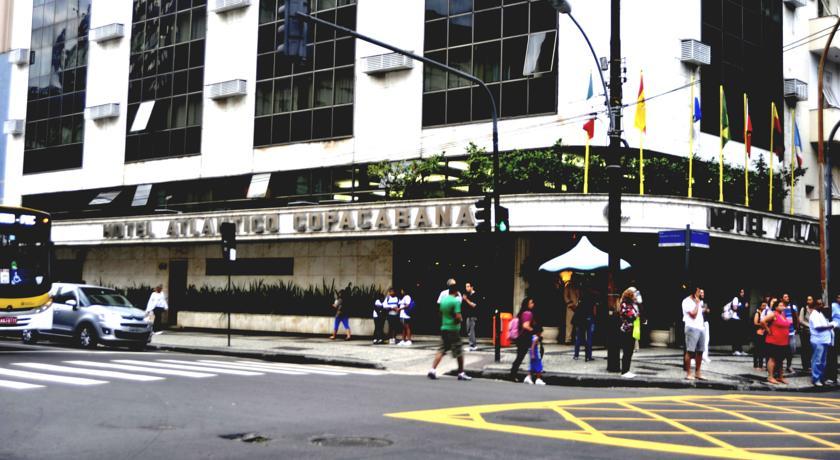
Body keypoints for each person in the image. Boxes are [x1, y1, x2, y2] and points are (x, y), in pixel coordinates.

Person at [427, 280, 471, 381]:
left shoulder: (444, 300)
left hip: (444, 327)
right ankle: (461, 373)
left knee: (442, 349)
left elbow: (440, 313)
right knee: (459, 351)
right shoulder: (455, 301)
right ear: (456, 292)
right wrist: (459, 319)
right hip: (453, 329)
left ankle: (432, 370)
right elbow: (458, 316)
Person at [762, 299, 792, 384]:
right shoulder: (773, 314)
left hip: (783, 341)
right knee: (772, 359)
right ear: (776, 307)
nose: (782, 307)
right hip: (774, 341)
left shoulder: (783, 314)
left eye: (783, 305)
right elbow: (762, 321)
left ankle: (780, 377)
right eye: (780, 305)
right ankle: (770, 377)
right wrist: (768, 330)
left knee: (780, 360)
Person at [809, 300, 838, 386]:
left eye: (822, 304)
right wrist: (831, 325)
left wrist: (830, 324)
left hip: (824, 340)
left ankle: (821, 377)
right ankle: (816, 378)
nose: (822, 306)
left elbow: (824, 324)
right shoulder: (814, 315)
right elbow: (818, 327)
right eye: (819, 304)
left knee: (822, 361)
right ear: (815, 306)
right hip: (818, 341)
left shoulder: (820, 314)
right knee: (817, 360)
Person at [682, 286, 706, 380]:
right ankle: (688, 373)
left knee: (700, 351)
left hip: (700, 327)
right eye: (698, 291)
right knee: (690, 351)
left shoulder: (699, 301)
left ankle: (698, 372)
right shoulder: (686, 301)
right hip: (691, 327)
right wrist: (696, 304)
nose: (700, 293)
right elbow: (693, 315)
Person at [510, 297, 536, 382]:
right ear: (527, 304)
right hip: (524, 338)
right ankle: (513, 374)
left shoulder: (522, 312)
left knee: (520, 356)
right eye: (531, 303)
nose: (533, 304)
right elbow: (525, 325)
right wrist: (533, 331)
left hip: (521, 338)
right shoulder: (528, 313)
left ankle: (513, 373)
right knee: (520, 357)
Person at [618, 287, 640, 378]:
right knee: (627, 351)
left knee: (630, 351)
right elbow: (631, 315)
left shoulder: (632, 305)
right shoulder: (624, 304)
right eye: (634, 295)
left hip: (632, 330)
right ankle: (624, 371)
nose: (636, 296)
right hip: (626, 330)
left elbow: (637, 314)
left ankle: (627, 370)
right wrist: (636, 314)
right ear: (630, 295)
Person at [573, 286, 597, 362]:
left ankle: (576, 355)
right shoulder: (592, 299)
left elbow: (577, 309)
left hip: (580, 318)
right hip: (589, 317)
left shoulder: (581, 299)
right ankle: (589, 356)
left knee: (579, 337)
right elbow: (594, 311)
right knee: (589, 337)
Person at [726, 288, 748, 355]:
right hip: (735, 318)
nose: (742, 293)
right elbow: (735, 308)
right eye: (741, 292)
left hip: (740, 319)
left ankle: (740, 350)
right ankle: (735, 350)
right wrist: (744, 306)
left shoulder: (743, 299)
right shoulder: (736, 298)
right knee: (735, 335)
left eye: (743, 292)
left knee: (740, 335)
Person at [781, 293, 799, 373]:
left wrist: (796, 328)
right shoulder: (780, 307)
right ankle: (779, 366)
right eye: (785, 297)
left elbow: (796, 318)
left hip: (791, 332)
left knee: (791, 350)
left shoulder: (793, 307)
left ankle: (789, 366)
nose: (787, 298)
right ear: (782, 299)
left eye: (788, 296)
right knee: (781, 350)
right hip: (782, 333)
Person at [462, 282, 482, 351]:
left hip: (473, 316)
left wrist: (466, 299)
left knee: (471, 331)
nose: (466, 288)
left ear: (472, 287)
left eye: (468, 286)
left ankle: (473, 346)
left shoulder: (476, 295)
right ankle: (472, 345)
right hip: (468, 315)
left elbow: (473, 305)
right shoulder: (468, 295)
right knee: (468, 330)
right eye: (466, 286)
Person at [799, 295, 816, 371]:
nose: (809, 301)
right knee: (805, 349)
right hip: (805, 332)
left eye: (810, 299)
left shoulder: (815, 309)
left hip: (814, 332)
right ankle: (805, 365)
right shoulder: (804, 309)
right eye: (808, 299)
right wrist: (810, 326)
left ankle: (811, 364)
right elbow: (801, 320)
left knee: (812, 349)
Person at [825, 293, 840, 384]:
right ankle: (831, 376)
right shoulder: (833, 306)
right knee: (832, 354)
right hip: (834, 331)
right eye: (838, 297)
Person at [752, 301, 771, 370]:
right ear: (760, 306)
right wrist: (763, 324)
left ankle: (761, 364)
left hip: (764, 332)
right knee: (757, 349)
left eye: (765, 306)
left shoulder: (766, 314)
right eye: (763, 305)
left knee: (762, 350)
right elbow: (755, 323)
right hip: (758, 333)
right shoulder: (758, 313)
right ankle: (756, 365)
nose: (764, 307)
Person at [563, 275, 580, 344]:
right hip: (570, 307)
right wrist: (570, 304)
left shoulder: (578, 286)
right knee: (569, 323)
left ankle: (577, 338)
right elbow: (565, 296)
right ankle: (568, 339)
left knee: (578, 323)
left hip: (578, 307)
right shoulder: (568, 286)